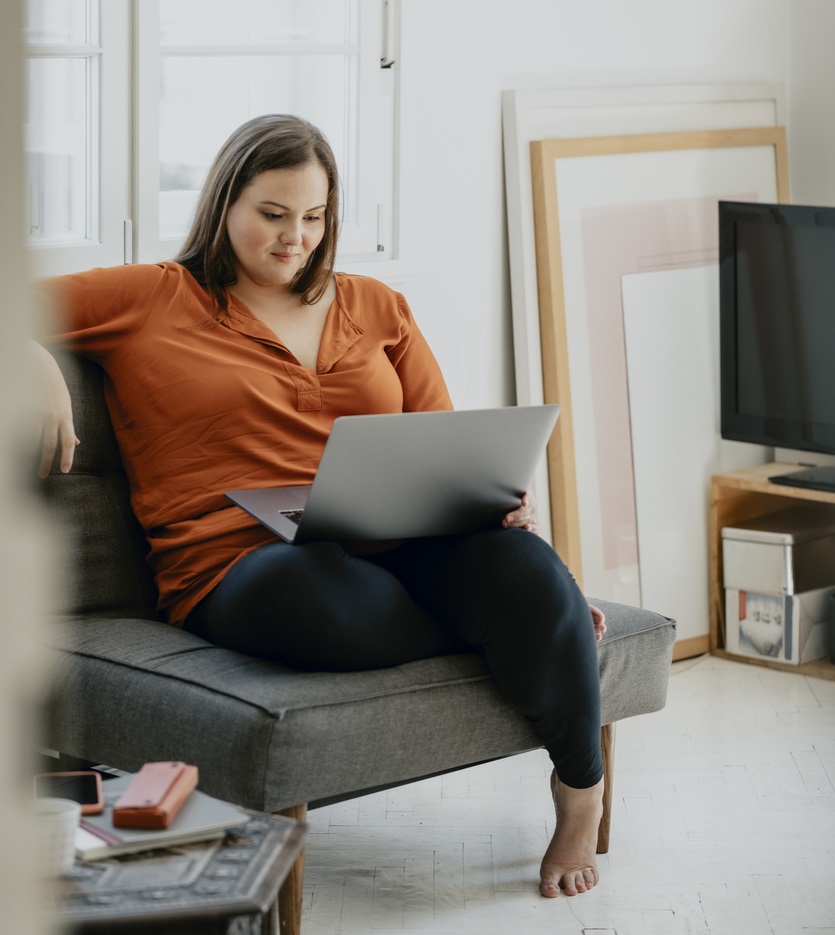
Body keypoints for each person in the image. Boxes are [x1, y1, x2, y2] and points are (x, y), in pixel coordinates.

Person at [34, 114, 606, 898]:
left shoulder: (377, 306)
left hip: (398, 540)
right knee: (328, 597)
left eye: (313, 217)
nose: (293, 238)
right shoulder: (151, 296)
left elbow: (444, 444)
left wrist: (491, 503)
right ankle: (523, 629)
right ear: (224, 201)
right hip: (241, 563)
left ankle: (579, 794)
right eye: (272, 214)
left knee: (529, 570)